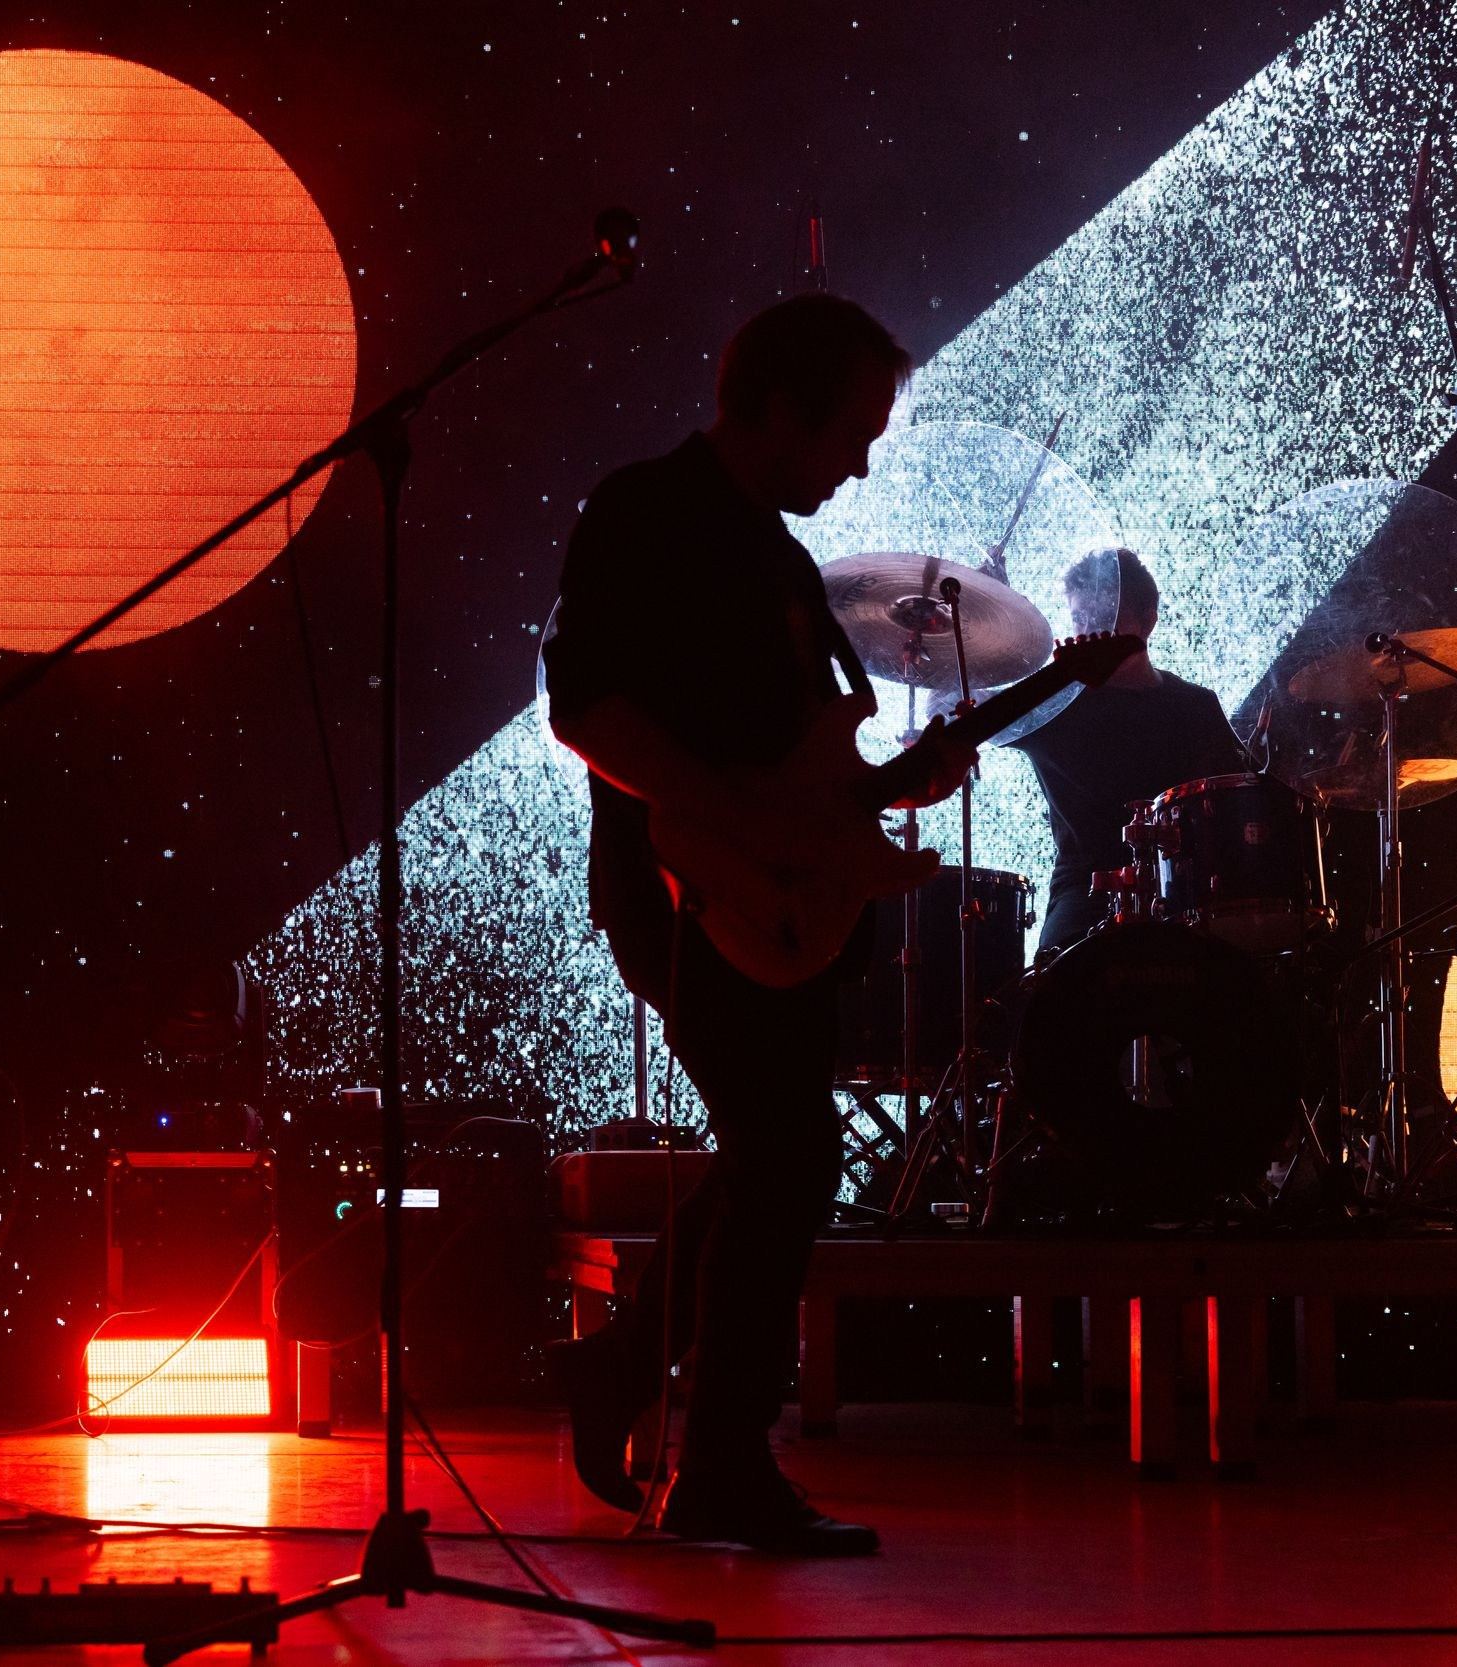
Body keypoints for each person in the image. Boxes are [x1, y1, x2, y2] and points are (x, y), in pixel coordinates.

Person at [539, 295, 969, 1555]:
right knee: (787, 1148)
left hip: (761, 886)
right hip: (683, 886)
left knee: (778, 1151)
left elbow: (796, 765)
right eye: (849, 429)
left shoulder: (780, 560)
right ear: (776, 406)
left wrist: (882, 791)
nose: (860, 462)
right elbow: (586, 708)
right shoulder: (647, 512)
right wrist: (734, 822)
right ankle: (714, 1460)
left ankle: (633, 1379)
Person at [1009, 548, 1247, 956]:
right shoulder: (1050, 708)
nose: (1088, 631)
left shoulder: (1198, 708)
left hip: (1188, 895)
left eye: (1104, 616)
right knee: (1054, 986)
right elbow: (952, 708)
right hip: (1085, 892)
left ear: (1148, 619)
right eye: (1079, 618)